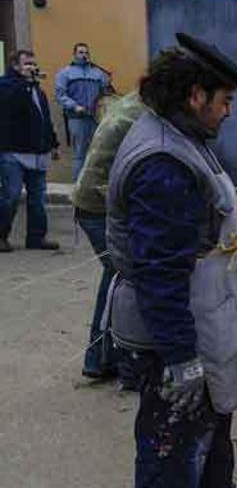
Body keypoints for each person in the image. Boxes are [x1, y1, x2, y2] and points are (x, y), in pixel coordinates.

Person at [106, 33, 237, 487]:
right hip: (174, 336)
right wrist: (182, 360)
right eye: (225, 100)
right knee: (173, 457)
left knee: (210, 446)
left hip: (199, 320)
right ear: (196, 94)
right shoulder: (162, 162)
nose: (229, 111)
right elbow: (159, 276)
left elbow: (196, 201)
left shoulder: (182, 132)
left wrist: (228, 207)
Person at [71, 91, 146, 384]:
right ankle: (113, 362)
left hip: (92, 200)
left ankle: (105, 359)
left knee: (116, 276)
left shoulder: (131, 102)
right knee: (122, 277)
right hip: (99, 204)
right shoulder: (144, 117)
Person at [0, 49, 60, 253]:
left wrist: (53, 144)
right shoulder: (6, 85)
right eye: (27, 64)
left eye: (33, 64)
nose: (32, 68)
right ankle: (1, 236)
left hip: (37, 152)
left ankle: (36, 237)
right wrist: (27, 84)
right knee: (11, 196)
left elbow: (44, 118)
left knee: (38, 198)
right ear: (15, 66)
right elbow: (12, 104)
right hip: (13, 151)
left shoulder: (37, 90)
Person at [55, 42, 110, 180]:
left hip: (96, 118)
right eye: (81, 52)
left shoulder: (97, 73)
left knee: (97, 153)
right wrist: (74, 106)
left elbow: (105, 93)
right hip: (77, 118)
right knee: (80, 153)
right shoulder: (65, 73)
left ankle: (91, 186)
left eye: (86, 52)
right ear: (74, 55)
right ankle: (77, 185)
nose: (84, 55)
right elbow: (60, 95)